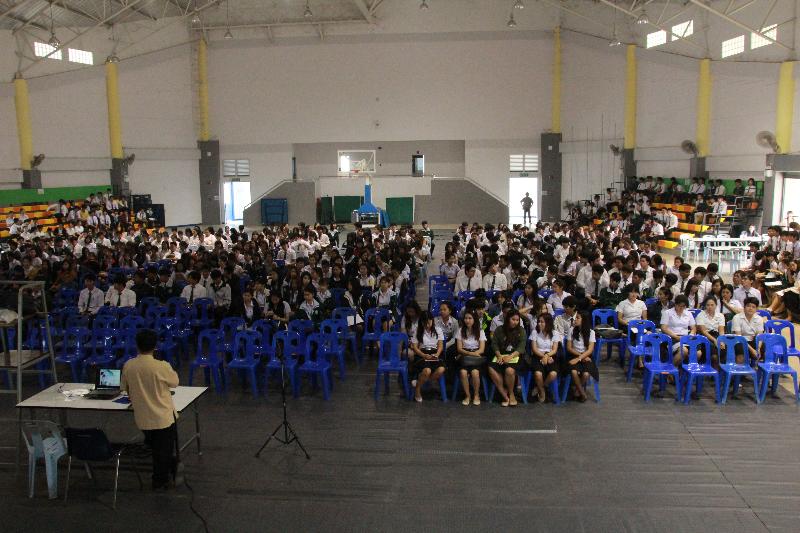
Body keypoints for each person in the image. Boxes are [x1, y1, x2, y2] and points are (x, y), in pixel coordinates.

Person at [120, 329, 181, 490]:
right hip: (162, 416)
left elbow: (124, 387)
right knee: (164, 450)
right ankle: (160, 480)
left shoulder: (129, 365)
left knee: (156, 447)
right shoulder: (161, 366)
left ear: (137, 346)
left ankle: (164, 473)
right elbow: (174, 382)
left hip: (143, 417)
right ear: (155, 346)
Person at [487, 309, 527, 407]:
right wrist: (499, 355)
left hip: (516, 356)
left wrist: (510, 357)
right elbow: (494, 344)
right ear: (508, 319)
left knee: (509, 370)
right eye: (513, 319)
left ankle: (511, 393)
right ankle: (504, 394)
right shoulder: (499, 329)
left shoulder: (521, 330)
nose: (515, 322)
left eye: (517, 320)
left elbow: (521, 347)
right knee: (491, 368)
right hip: (501, 355)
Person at [410, 311, 445, 403]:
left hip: (434, 353)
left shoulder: (438, 330)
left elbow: (440, 346)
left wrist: (437, 354)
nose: (427, 325)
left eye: (429, 322)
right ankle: (418, 390)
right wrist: (423, 355)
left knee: (441, 369)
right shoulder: (418, 330)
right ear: (421, 322)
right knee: (427, 370)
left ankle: (419, 382)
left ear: (432, 320)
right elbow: (415, 348)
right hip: (422, 353)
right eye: (425, 323)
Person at [565, 311, 598, 402]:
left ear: (584, 320)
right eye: (575, 317)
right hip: (574, 355)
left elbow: (590, 350)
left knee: (586, 374)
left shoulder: (591, 332)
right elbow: (569, 348)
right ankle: (582, 393)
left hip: (587, 356)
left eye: (578, 318)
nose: (575, 320)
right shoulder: (571, 330)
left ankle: (576, 390)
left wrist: (580, 358)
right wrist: (580, 357)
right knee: (574, 371)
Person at [455, 309, 486, 406]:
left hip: (477, 356)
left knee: (475, 373)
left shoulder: (480, 331)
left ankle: (476, 395)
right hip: (464, 355)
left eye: (470, 318)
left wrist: (474, 354)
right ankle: (467, 395)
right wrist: (470, 353)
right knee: (463, 372)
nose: (467, 320)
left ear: (474, 319)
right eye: (465, 318)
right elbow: (459, 349)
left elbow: (482, 349)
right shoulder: (460, 330)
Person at [529, 313, 561, 403]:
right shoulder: (535, 332)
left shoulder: (555, 333)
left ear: (548, 323)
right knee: (538, 374)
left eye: (542, 322)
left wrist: (547, 356)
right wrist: (543, 356)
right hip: (538, 355)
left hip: (551, 355)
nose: (539, 323)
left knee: (553, 373)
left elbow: (554, 349)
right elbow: (534, 349)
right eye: (538, 321)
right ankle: (542, 392)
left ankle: (542, 386)